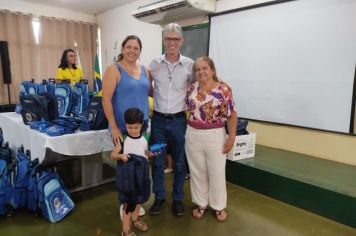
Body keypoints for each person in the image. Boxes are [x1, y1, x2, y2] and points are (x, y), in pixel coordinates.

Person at [102, 35, 151, 220]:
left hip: (142, 124)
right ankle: (125, 203)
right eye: (128, 47)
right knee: (125, 166)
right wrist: (114, 126)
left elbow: (150, 92)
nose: (132, 51)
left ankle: (136, 200)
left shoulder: (146, 70)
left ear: (140, 50)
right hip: (122, 126)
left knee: (140, 164)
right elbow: (106, 99)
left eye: (136, 48)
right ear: (122, 49)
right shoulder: (113, 69)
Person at [149, 23, 194, 217]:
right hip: (158, 122)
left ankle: (177, 199)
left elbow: (196, 89)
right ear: (164, 40)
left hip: (178, 122)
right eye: (169, 39)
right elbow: (148, 88)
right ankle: (159, 198)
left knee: (179, 163)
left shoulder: (190, 66)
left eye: (176, 39)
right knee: (157, 162)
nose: (172, 42)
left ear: (181, 41)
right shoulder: (154, 64)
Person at [185, 57, 237, 222]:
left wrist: (232, 137)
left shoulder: (224, 90)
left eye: (205, 68)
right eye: (198, 69)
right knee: (197, 172)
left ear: (212, 70)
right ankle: (201, 203)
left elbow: (232, 115)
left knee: (217, 172)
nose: (201, 72)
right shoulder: (192, 88)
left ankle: (219, 206)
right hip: (193, 133)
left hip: (215, 135)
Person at [111, 108, 151, 236]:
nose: (133, 130)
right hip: (128, 178)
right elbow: (113, 155)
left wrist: (151, 154)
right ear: (125, 125)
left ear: (141, 125)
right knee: (129, 204)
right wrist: (121, 156)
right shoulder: (122, 139)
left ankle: (135, 220)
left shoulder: (145, 137)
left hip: (142, 176)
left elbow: (146, 153)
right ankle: (125, 230)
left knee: (139, 200)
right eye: (130, 127)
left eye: (136, 127)